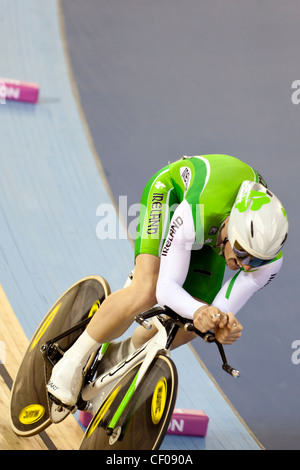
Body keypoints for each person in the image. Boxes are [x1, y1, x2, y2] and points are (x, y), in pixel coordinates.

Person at [47, 154, 288, 406]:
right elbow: (166, 289)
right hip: (172, 197)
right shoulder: (197, 213)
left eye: (255, 261)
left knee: (190, 326)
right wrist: (201, 311)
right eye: (241, 252)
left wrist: (220, 323)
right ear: (230, 229)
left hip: (211, 232)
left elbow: (217, 311)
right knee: (146, 289)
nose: (245, 264)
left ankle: (121, 356)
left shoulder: (269, 260)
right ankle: (71, 361)